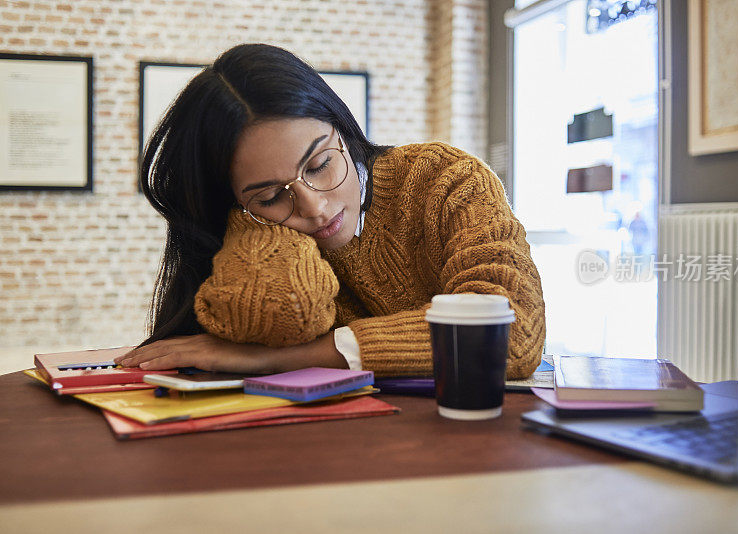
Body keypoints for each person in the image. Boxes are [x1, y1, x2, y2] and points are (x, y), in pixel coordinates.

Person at [116, 43, 545, 379]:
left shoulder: (444, 179)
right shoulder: (254, 236)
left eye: (320, 164)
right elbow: (257, 327)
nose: (315, 208)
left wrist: (276, 360)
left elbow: (511, 334)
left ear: (340, 125)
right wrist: (250, 233)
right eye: (270, 197)